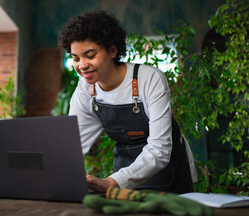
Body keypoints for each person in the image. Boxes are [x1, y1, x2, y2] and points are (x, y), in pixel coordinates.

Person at [58, 11, 197, 194]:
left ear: (112, 51)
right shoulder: (85, 89)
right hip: (122, 171)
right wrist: (53, 177)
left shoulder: (149, 79)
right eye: (76, 58)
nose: (82, 65)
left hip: (168, 171)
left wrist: (113, 182)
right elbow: (73, 147)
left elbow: (160, 150)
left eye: (90, 55)